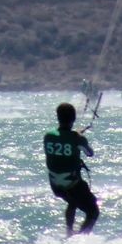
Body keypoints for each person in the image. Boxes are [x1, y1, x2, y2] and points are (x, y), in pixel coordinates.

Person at [43, 101, 100, 236]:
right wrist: (79, 137)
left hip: (55, 185)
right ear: (73, 119)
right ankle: (81, 237)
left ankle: (69, 232)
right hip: (72, 183)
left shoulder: (48, 136)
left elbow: (62, 141)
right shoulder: (77, 138)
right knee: (93, 211)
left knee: (72, 201)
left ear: (58, 117)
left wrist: (74, 135)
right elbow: (89, 153)